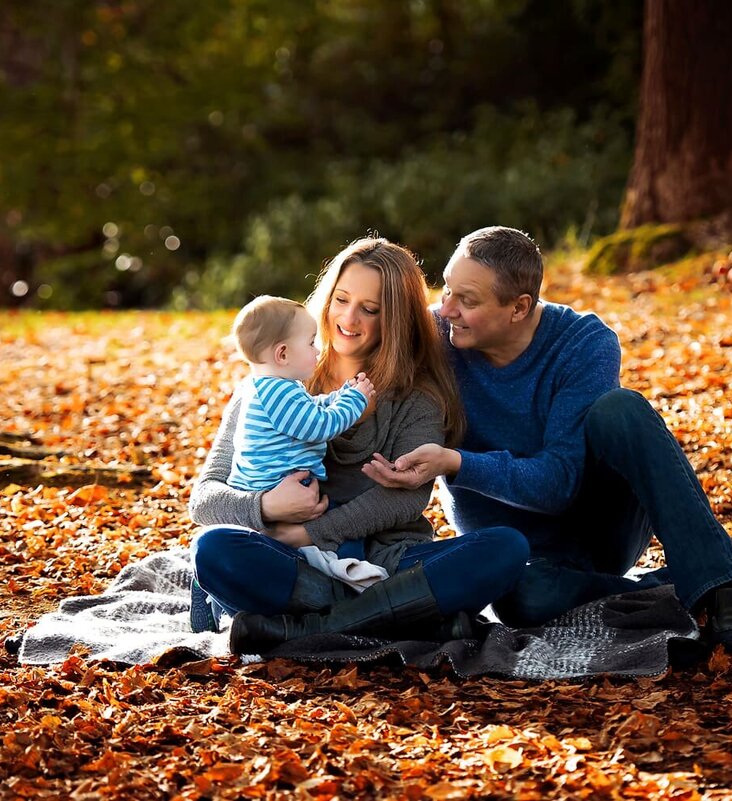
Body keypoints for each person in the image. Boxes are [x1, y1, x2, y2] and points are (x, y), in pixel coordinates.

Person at [363, 226, 732, 652]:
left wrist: (457, 463)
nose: (447, 308)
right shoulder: (436, 335)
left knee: (621, 409)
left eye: (468, 300)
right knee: (524, 601)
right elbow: (350, 364)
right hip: (516, 555)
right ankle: (693, 578)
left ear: (518, 307)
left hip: (599, 526)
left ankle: (727, 592)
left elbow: (558, 483)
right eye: (447, 290)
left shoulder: (582, 343)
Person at [188, 237, 530, 654]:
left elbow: (402, 502)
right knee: (215, 549)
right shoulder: (271, 381)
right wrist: (267, 508)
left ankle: (308, 629)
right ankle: (405, 622)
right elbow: (204, 498)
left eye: (370, 309)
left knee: (505, 548)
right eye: (342, 300)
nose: (348, 319)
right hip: (291, 563)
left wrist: (311, 532)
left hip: (387, 562)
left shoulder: (417, 399)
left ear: (396, 321)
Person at [225, 294, 375, 492]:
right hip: (273, 489)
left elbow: (309, 408)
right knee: (357, 494)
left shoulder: (268, 388)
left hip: (271, 487)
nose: (317, 351)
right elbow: (322, 426)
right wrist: (356, 399)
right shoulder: (277, 393)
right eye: (311, 343)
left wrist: (340, 395)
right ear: (283, 354)